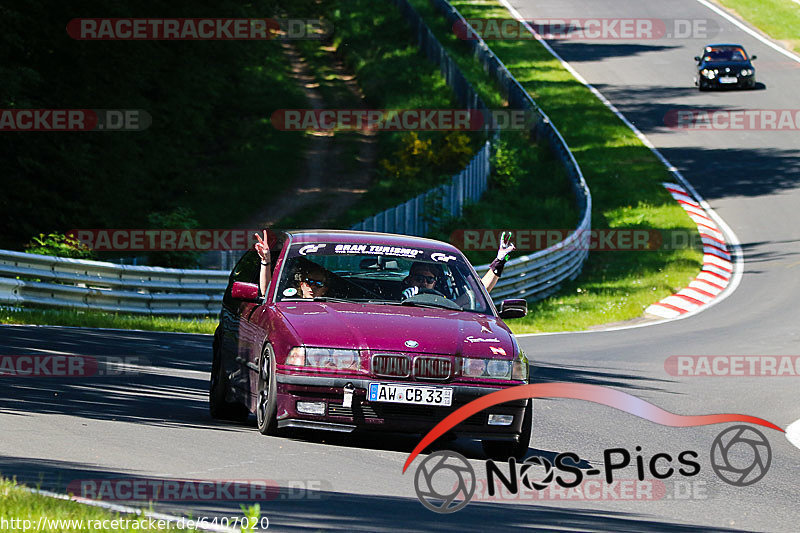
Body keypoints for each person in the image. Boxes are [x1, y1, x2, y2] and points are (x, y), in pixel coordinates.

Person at [401, 232, 516, 299]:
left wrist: (499, 260)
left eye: (429, 279)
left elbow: (478, 295)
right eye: (419, 278)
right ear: (410, 279)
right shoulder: (394, 299)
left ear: (435, 283)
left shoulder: (447, 304)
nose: (424, 283)